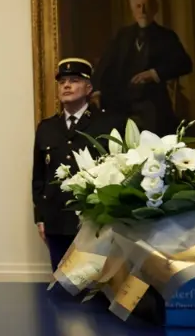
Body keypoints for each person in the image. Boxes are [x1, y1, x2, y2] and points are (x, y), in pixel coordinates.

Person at [32, 58, 126, 272]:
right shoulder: (46, 128)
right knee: (63, 288)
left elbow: (120, 169)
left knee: (97, 288)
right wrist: (41, 217)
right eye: (62, 82)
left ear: (88, 88)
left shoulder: (108, 123)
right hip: (57, 221)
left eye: (74, 80)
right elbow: (39, 177)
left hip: (95, 221)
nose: (66, 85)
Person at [90, 0, 193, 136]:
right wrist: (97, 91)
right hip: (120, 101)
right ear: (133, 10)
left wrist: (154, 73)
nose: (142, 10)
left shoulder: (166, 36)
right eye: (138, 6)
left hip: (152, 102)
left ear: (155, 9)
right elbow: (105, 64)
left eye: (147, 5)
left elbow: (185, 64)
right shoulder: (122, 36)